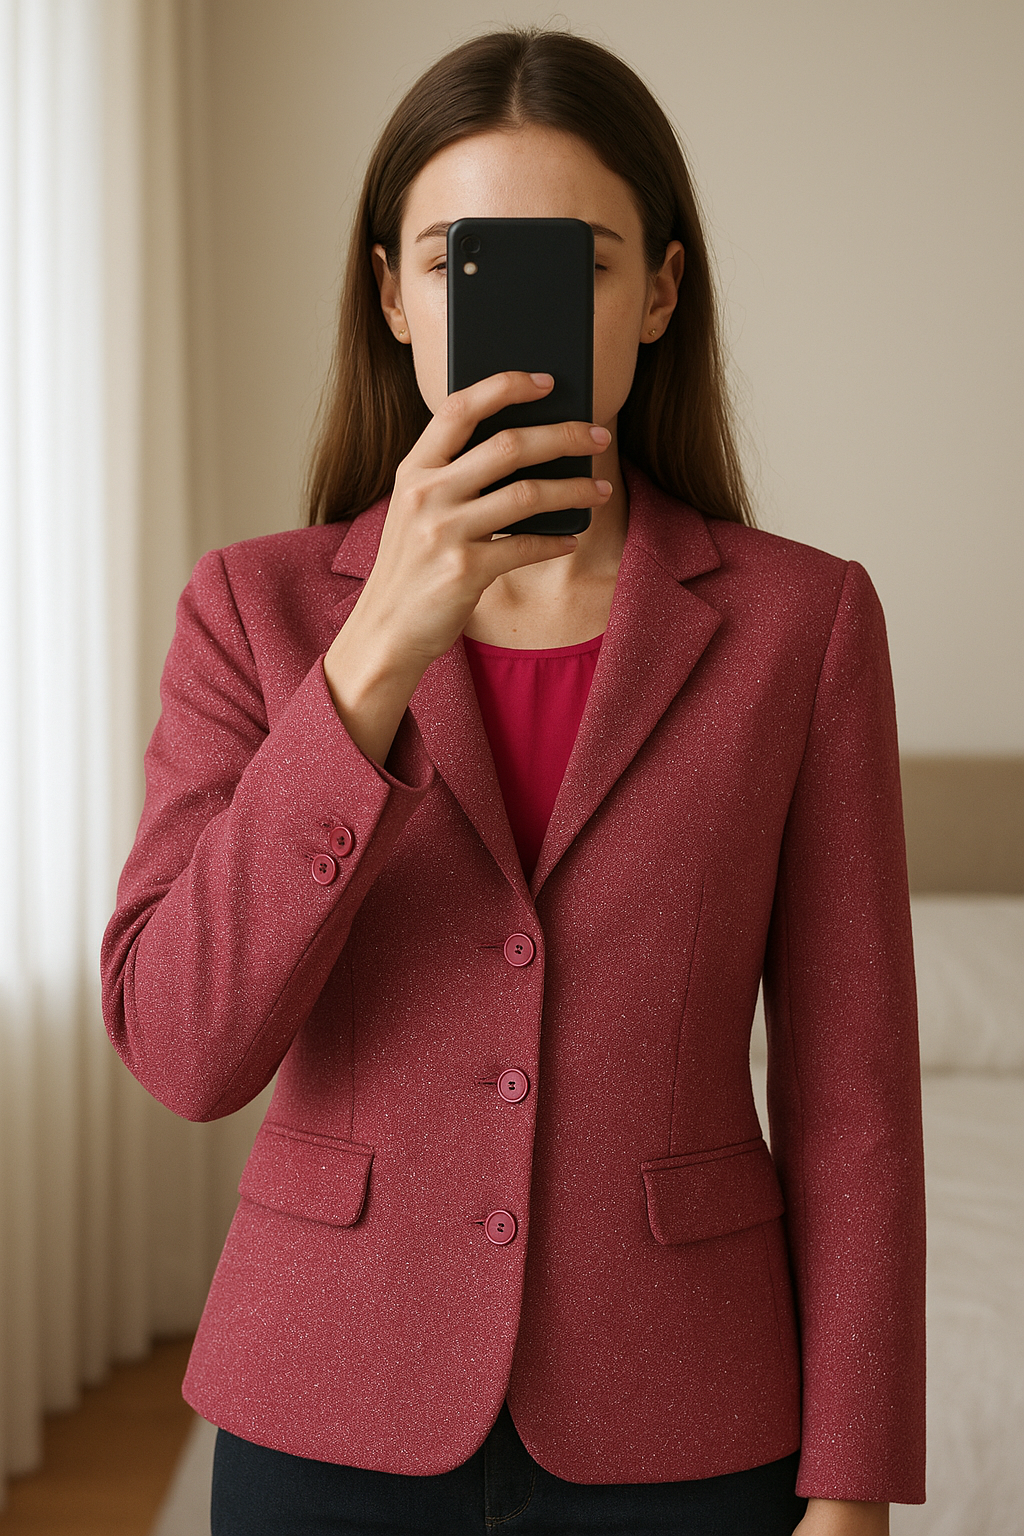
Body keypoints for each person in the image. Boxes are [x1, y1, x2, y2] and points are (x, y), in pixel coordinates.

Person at [101, 26, 926, 1536]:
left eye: (583, 262)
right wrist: (373, 661)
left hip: (683, 1409)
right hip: (327, 1395)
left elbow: (853, 1096)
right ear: (396, 296)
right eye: (460, 261)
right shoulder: (256, 609)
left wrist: (856, 1476)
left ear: (660, 292)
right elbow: (181, 1051)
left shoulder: (804, 626)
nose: (526, 312)